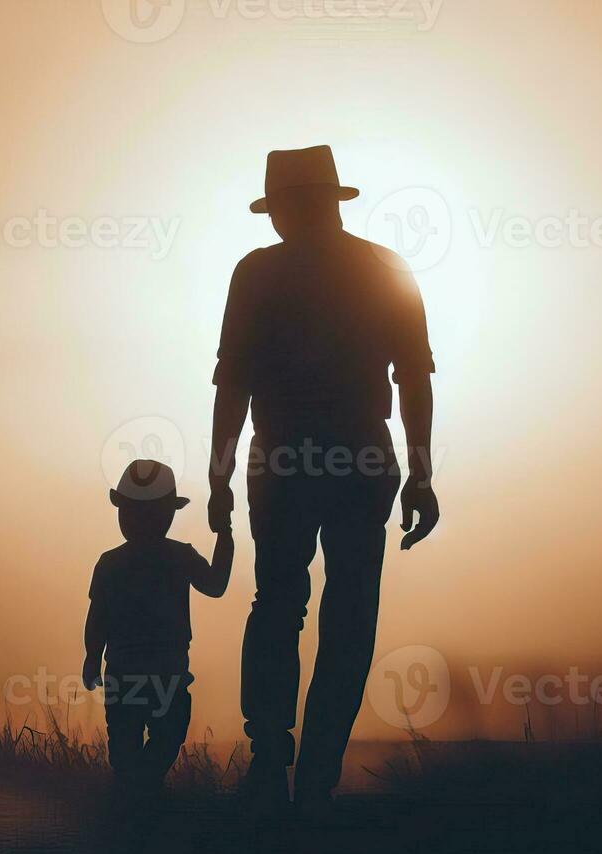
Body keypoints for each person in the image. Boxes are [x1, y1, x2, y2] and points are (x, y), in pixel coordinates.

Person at [207, 145, 440, 815]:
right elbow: (414, 377)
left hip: (283, 458)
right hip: (360, 457)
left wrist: (220, 473)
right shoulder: (382, 268)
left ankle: (271, 763)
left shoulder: (258, 273)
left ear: (285, 206)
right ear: (332, 200)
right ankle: (312, 774)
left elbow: (234, 380)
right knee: (348, 615)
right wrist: (421, 473)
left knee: (278, 604)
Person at [83, 459, 234, 790]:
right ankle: (139, 795)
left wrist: (93, 657)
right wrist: (225, 532)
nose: (138, 520)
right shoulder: (176, 557)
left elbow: (97, 618)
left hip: (130, 673)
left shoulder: (112, 563)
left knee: (131, 745)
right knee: (161, 737)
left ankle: (134, 795)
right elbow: (216, 584)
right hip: (165, 674)